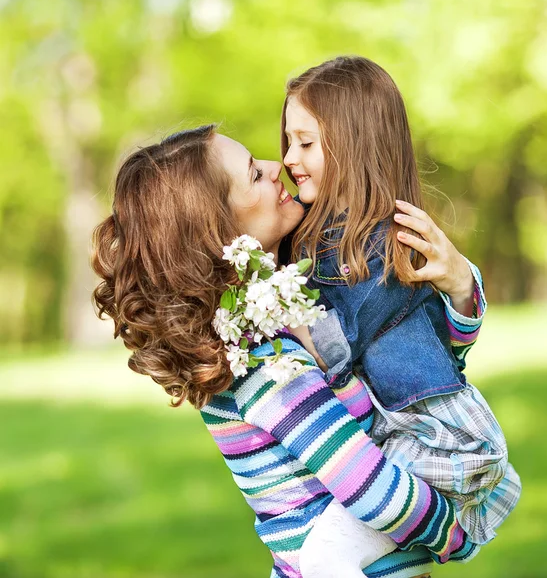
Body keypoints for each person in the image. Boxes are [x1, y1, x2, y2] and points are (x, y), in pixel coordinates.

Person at [91, 125, 482, 578]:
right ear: (218, 230)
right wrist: (455, 534)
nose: (277, 167)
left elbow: (421, 368)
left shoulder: (291, 310)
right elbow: (367, 485)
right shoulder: (263, 362)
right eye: (255, 175)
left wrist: (461, 291)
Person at [279, 56, 521, 576]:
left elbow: (341, 344)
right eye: (288, 142)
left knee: (324, 557)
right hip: (401, 430)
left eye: (305, 142)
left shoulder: (381, 241)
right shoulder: (322, 234)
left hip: (433, 437)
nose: (288, 158)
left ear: (353, 143)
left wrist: (277, 322)